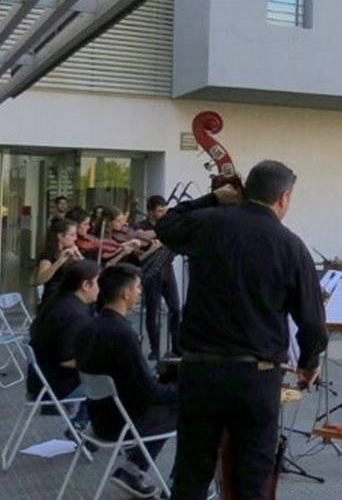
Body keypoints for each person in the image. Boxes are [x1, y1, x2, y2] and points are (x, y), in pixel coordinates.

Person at [156, 160, 328, 498]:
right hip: (257, 378)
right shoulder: (290, 245)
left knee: (191, 473)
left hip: (200, 372)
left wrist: (213, 199)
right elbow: (311, 319)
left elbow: (166, 224)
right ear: (284, 197)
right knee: (252, 477)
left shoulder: (208, 224)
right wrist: (309, 362)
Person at [75, 264, 178, 498]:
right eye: (139, 287)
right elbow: (149, 392)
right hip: (121, 422)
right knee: (189, 407)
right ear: (126, 293)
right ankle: (179, 484)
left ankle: (132, 469)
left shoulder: (89, 326)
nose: (141, 292)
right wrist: (182, 390)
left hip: (99, 416)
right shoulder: (122, 333)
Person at [28, 259, 99, 431]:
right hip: (55, 385)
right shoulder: (74, 314)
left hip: (40, 378)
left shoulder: (57, 300)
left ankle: (85, 422)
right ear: (86, 285)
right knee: (117, 381)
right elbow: (67, 360)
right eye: (98, 282)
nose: (100, 288)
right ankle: (89, 426)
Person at [137, 195, 181, 360]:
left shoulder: (169, 224)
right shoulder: (142, 226)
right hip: (151, 273)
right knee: (152, 313)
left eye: (164, 210)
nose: (163, 213)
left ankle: (177, 347)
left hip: (167, 272)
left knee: (175, 309)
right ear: (150, 212)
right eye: (159, 211)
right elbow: (141, 238)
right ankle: (155, 349)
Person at [36, 218, 83, 307]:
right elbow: (40, 279)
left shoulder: (69, 252)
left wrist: (79, 256)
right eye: (72, 235)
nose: (75, 238)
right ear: (60, 236)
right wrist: (59, 261)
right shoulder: (48, 254)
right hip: (54, 298)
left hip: (68, 295)